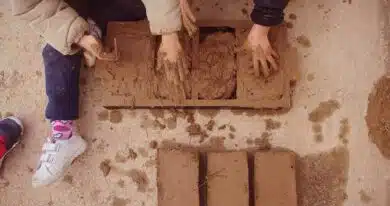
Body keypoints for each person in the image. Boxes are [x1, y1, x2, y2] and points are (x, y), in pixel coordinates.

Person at [9, 0, 287, 187]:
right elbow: (32, 7)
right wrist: (78, 35)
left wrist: (168, 32)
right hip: (73, 6)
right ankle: (64, 131)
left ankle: (98, 22)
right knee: (56, 48)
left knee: (138, 11)